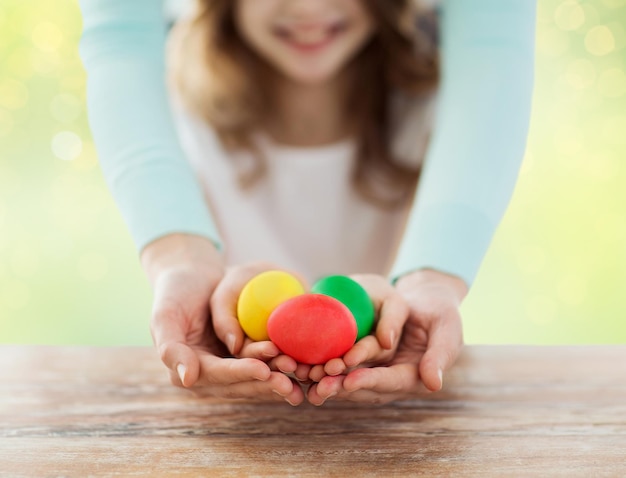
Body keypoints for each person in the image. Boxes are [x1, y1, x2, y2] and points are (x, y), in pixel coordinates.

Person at [78, 0, 536, 406]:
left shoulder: (431, 119)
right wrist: (180, 263)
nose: (306, 7)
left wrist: (431, 280)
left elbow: (495, 38)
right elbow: (118, 37)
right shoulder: (183, 123)